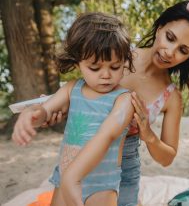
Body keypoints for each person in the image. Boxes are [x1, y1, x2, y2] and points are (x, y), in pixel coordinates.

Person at [30, 0, 189, 206]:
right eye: (170, 37)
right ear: (160, 27)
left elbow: (167, 158)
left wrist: (149, 135)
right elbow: (80, 90)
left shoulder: (171, 97)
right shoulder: (116, 54)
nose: (170, 52)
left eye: (183, 50)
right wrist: (56, 109)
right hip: (80, 156)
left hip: (123, 168)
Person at [12, 12, 135, 206]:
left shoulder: (124, 99)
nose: (106, 75)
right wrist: (31, 114)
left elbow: (106, 136)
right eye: (95, 68)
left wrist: (73, 177)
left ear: (124, 62)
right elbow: (46, 110)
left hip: (100, 185)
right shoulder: (72, 89)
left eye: (115, 66)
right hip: (65, 177)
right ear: (78, 62)